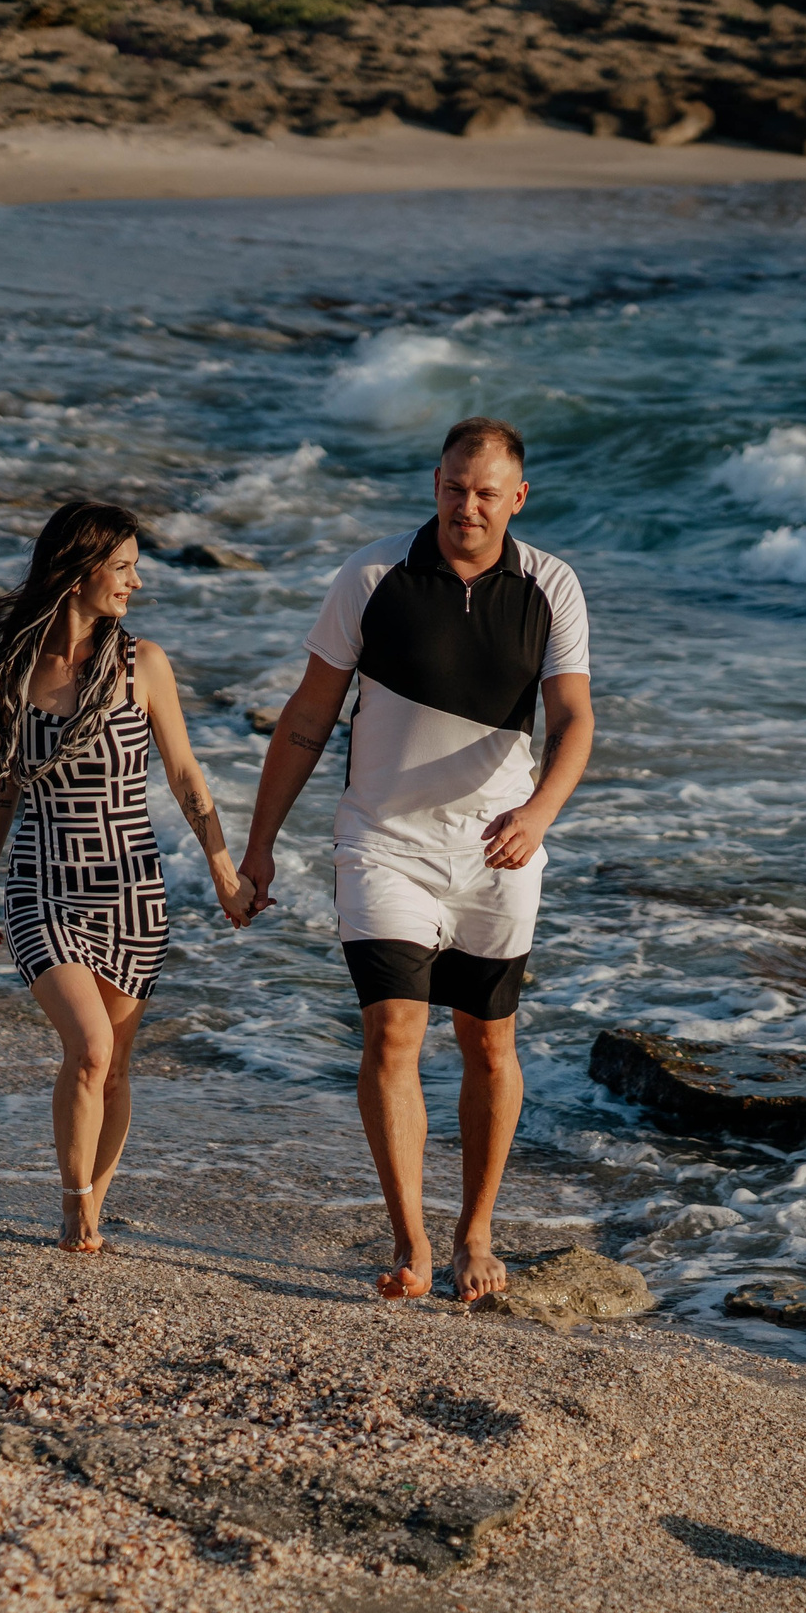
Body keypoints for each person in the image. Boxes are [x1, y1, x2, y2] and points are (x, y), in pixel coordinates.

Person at [240, 417, 594, 1302]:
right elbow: (308, 717)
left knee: (488, 1039)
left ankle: (476, 1232)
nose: (466, 506)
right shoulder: (371, 577)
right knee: (393, 1028)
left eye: (486, 493)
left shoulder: (551, 585)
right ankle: (411, 1242)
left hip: (497, 849)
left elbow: (574, 719)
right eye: (453, 487)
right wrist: (260, 846)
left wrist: (539, 814)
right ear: (434, 483)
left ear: (518, 497)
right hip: (383, 842)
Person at [0, 499, 255, 1252]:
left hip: (131, 892)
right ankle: (74, 1208)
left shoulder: (142, 665)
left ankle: (95, 1198)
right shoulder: (14, 668)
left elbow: (186, 776)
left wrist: (223, 871)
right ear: (77, 572)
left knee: (117, 1067)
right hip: (41, 885)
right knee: (91, 1049)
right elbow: (1, 782)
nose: (136, 582)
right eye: (122, 567)